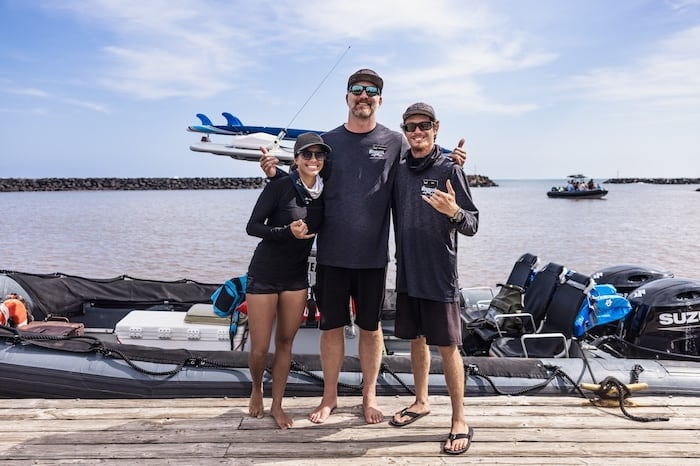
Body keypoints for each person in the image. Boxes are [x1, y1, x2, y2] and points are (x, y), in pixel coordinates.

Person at [261, 69, 467, 425]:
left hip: (374, 256)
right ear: (347, 97)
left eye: (371, 91)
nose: (363, 96)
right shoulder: (328, 142)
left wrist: (454, 162)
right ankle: (330, 397)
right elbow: (305, 178)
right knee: (331, 328)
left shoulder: (396, 141)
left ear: (379, 101)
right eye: (357, 90)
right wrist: (275, 176)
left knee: (371, 330)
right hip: (331, 254)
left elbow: (425, 155)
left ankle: (369, 397)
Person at [389, 102, 478, 455]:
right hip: (408, 270)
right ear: (405, 131)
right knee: (416, 340)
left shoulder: (449, 168)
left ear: (435, 128)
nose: (417, 132)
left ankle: (459, 419)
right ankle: (421, 400)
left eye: (424, 126)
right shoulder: (397, 171)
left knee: (448, 347)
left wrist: (454, 211)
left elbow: (472, 224)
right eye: (410, 127)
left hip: (440, 273)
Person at [245, 132, 329, 429]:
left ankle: (277, 405)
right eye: (307, 155)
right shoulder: (279, 187)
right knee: (259, 348)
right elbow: (252, 227)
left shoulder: (324, 193)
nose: (313, 160)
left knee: (285, 343)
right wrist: (285, 232)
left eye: (319, 155)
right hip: (264, 273)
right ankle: (257, 389)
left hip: (295, 277)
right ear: (296, 159)